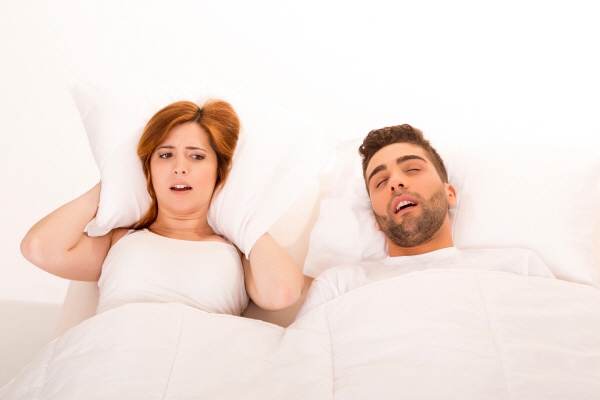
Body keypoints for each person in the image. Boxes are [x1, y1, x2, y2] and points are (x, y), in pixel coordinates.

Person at [21, 100, 304, 318]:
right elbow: (39, 248)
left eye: (197, 156)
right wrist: (115, 182)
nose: (179, 167)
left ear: (219, 171)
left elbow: (282, 293)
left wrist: (243, 217)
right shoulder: (117, 240)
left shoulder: (238, 250)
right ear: (148, 170)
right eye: (165, 155)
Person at [296, 124, 555, 319]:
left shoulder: (519, 267)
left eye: (412, 169)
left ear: (449, 193)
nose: (396, 182)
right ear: (376, 219)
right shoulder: (338, 286)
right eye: (381, 181)